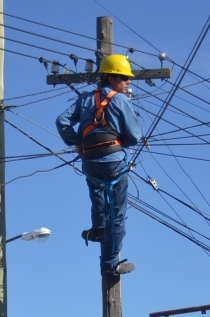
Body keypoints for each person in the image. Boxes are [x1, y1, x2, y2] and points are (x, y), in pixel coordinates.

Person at [56, 54, 143, 276]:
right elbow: (134, 136)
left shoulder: (85, 98)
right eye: (124, 78)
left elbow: (62, 121)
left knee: (98, 200)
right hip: (113, 161)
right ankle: (111, 264)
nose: (129, 82)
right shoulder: (121, 100)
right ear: (112, 78)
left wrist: (77, 142)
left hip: (90, 162)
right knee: (117, 213)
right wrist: (120, 138)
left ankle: (97, 228)